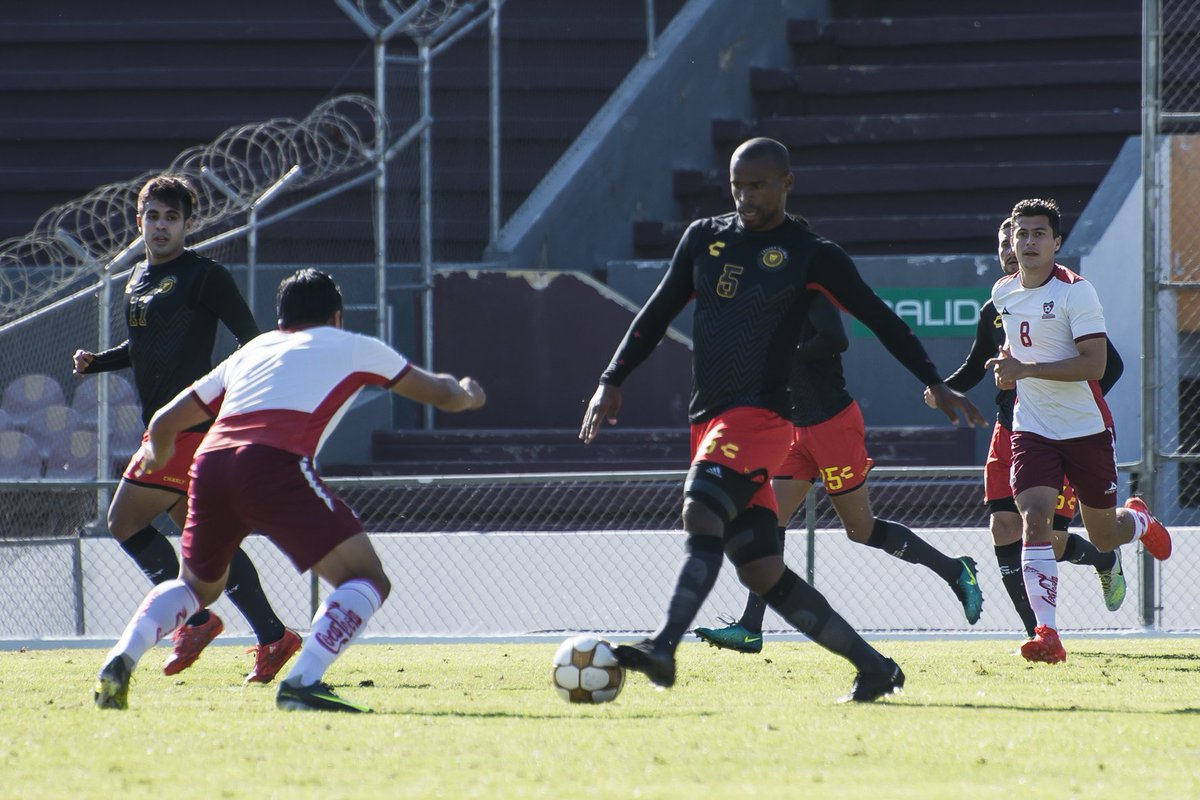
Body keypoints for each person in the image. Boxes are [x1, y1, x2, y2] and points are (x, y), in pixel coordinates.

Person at [579, 137, 986, 702]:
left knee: (702, 513)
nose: (745, 196)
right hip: (709, 419)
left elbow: (879, 317)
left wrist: (934, 381)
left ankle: (663, 647)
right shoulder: (705, 239)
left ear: (786, 184)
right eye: (737, 185)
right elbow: (655, 312)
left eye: (758, 185)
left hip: (762, 420)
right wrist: (611, 378)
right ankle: (875, 669)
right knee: (762, 570)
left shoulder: (811, 253)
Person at [93, 268, 486, 712]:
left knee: (195, 587)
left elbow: (164, 421)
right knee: (366, 578)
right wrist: (469, 393)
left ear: (280, 319)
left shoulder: (254, 350)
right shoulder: (353, 345)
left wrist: (158, 456)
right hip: (273, 463)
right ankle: (302, 682)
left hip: (210, 464)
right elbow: (441, 394)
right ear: (337, 317)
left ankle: (120, 658)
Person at [72, 174, 300, 684]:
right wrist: (98, 362)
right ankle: (273, 636)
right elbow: (144, 348)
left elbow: (252, 339)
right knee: (209, 543)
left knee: (124, 522)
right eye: (152, 216)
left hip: (187, 427)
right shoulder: (136, 280)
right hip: (167, 429)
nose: (161, 226)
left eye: (171, 217)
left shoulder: (204, 276)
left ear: (187, 225)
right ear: (139, 221)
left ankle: (195, 620)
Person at [694, 292, 983, 654]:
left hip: (833, 424)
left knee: (861, 530)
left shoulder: (809, 287)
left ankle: (956, 572)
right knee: (767, 522)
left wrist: (780, 357)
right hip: (794, 427)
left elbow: (836, 339)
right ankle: (751, 627)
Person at [985, 198, 1172, 664]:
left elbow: (1096, 363)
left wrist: (1024, 369)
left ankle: (1140, 521)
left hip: (1086, 430)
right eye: (1021, 233)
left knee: (1104, 535)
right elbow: (1017, 356)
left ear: (1057, 243)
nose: (1027, 242)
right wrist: (1007, 373)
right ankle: (1047, 632)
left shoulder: (1077, 292)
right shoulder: (1003, 292)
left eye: (1038, 234)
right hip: (1032, 430)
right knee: (1034, 522)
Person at [934, 216, 1127, 639]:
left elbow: (1107, 365)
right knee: (1007, 527)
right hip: (1015, 429)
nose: (1013, 247)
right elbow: (977, 365)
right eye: (1007, 240)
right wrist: (944, 389)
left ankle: (1103, 558)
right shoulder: (998, 301)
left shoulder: (1070, 294)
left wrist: (1070, 402)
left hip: (1071, 429)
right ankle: (1038, 633)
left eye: (1024, 236)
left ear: (1054, 243)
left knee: (1053, 538)